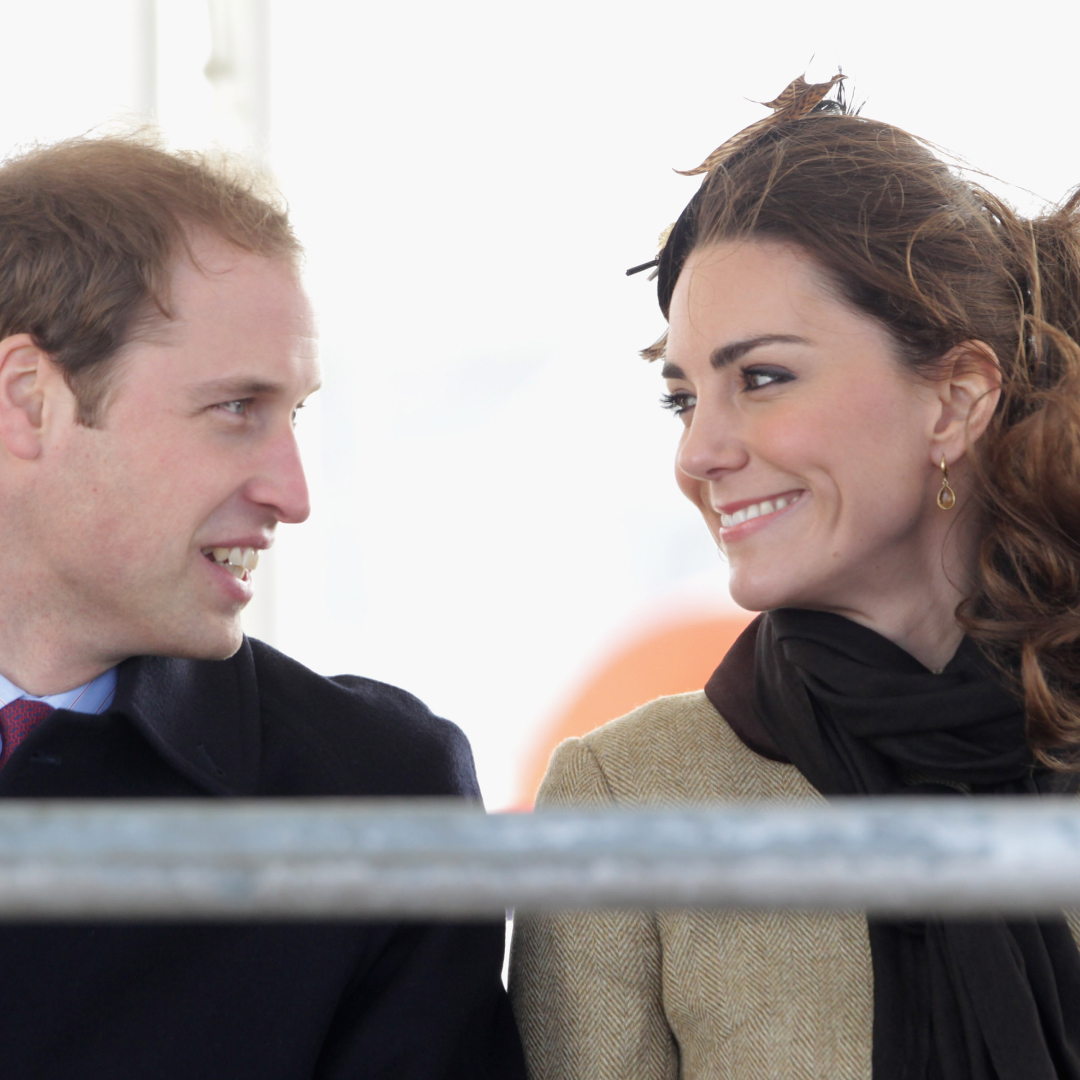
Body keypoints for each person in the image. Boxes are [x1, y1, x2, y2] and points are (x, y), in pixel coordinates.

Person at [510, 74, 1080, 1080]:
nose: (701, 453)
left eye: (762, 377)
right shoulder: (629, 803)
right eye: (683, 398)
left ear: (955, 398)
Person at [0, 135, 525, 1079]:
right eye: (238, 408)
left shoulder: (377, 805)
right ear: (28, 400)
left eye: (296, 414)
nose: (294, 491)